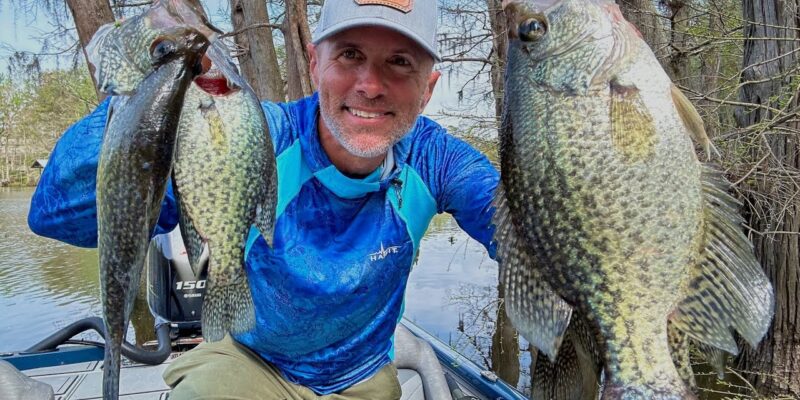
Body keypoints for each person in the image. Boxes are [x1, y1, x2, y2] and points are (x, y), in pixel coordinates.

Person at [28, 0, 499, 398]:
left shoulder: (439, 161)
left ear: (428, 88)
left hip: (363, 373)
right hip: (251, 360)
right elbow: (58, 215)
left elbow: (515, 224)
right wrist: (145, 78)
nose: (370, 85)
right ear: (315, 63)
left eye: (399, 62)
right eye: (350, 54)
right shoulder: (250, 136)